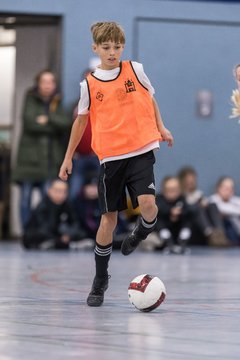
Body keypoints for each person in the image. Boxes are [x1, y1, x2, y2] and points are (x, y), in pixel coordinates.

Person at [59, 22, 173, 307]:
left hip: (142, 148)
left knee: (147, 203)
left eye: (117, 47)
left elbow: (152, 100)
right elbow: (81, 120)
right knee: (107, 220)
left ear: (122, 47)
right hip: (110, 157)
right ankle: (100, 279)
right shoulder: (89, 83)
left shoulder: (136, 69)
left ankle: (143, 230)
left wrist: (162, 127)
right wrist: (67, 156)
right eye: (106, 47)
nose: (112, 52)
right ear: (95, 48)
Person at [12, 70, 71, 229]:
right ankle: (27, 232)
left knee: (49, 198)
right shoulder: (30, 98)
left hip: (50, 161)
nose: (47, 85)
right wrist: (53, 125)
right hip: (29, 160)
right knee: (25, 198)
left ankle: (45, 231)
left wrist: (48, 119)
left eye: (51, 81)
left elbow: (66, 124)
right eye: (44, 81)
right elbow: (30, 123)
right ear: (38, 83)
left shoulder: (58, 101)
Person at [23, 179, 87, 250]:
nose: (61, 194)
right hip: (46, 234)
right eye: (58, 191)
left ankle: (59, 243)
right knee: (34, 236)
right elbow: (44, 228)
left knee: (83, 232)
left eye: (64, 191)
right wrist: (60, 237)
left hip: (62, 235)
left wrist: (69, 234)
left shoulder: (68, 205)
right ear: (50, 191)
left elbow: (75, 223)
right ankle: (56, 243)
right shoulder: (43, 206)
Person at [69, 69, 100, 201]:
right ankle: (74, 221)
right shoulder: (75, 106)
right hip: (79, 158)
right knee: (74, 194)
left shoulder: (107, 105)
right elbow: (69, 131)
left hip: (100, 157)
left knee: (106, 194)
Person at [178, 167, 228, 246]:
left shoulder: (198, 193)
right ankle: (210, 233)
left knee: (212, 205)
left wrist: (204, 204)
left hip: (202, 223)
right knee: (197, 207)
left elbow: (206, 205)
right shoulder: (179, 195)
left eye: (193, 180)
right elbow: (184, 210)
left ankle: (220, 233)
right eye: (188, 180)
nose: (191, 182)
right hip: (190, 225)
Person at [156, 176, 192, 254]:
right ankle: (168, 243)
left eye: (175, 189)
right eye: (169, 190)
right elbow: (159, 210)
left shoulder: (182, 199)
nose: (172, 192)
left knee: (187, 221)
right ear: (164, 190)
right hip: (163, 230)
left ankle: (183, 243)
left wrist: (179, 213)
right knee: (157, 220)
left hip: (178, 230)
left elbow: (188, 211)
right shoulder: (159, 199)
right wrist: (170, 211)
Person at [209, 177, 240, 245]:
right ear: (219, 189)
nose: (229, 191)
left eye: (231, 189)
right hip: (223, 233)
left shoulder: (236, 200)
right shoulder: (213, 200)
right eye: (226, 188)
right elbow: (221, 208)